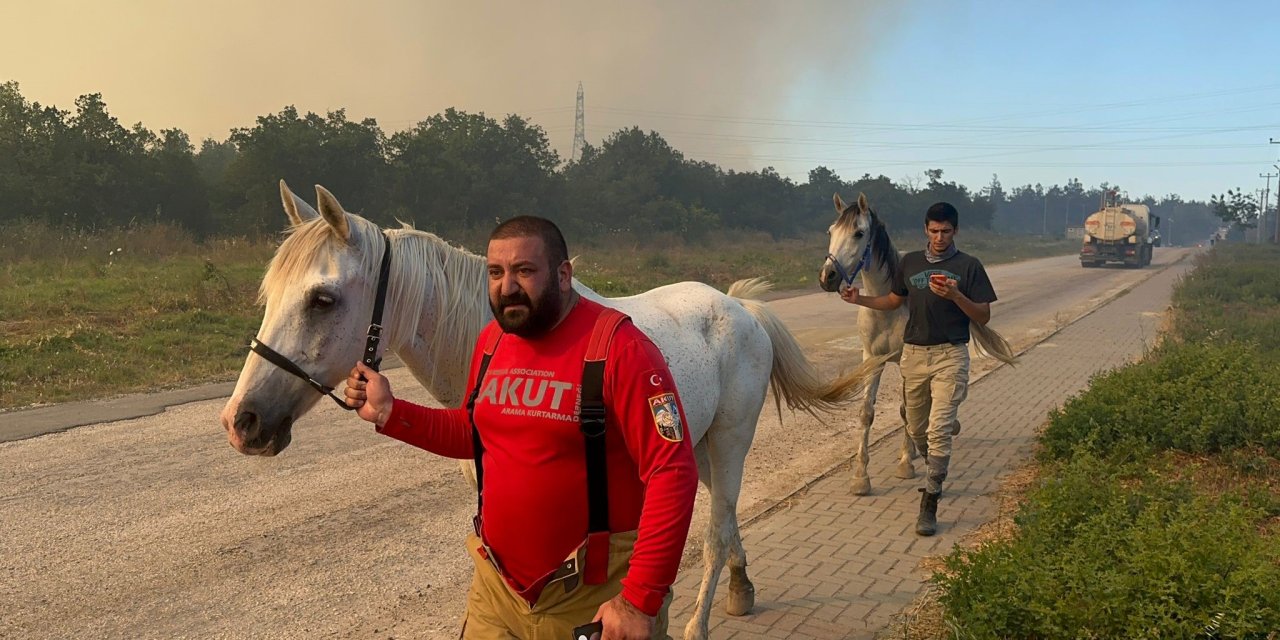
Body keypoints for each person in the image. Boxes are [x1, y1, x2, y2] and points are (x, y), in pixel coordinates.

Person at [343, 216, 698, 639]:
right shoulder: (492, 342)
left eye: (524, 271)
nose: (506, 286)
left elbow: (672, 471)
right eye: (496, 272)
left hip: (592, 597)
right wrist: (391, 412)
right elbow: (474, 433)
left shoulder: (621, 349)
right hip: (498, 593)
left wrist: (639, 600)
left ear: (563, 275)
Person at [839, 202, 997, 536]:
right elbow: (892, 302)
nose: (939, 237)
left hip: (950, 355)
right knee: (916, 428)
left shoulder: (969, 266)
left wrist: (956, 296)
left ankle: (930, 501)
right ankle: (934, 464)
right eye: (934, 231)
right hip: (913, 356)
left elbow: (982, 316)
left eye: (946, 231)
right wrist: (859, 300)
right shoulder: (909, 262)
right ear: (926, 230)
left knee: (939, 429)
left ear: (955, 231)